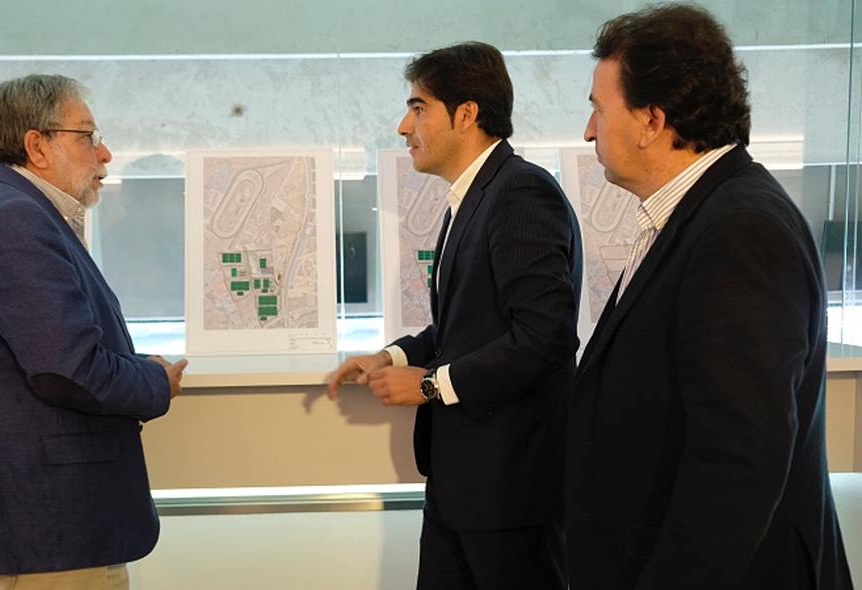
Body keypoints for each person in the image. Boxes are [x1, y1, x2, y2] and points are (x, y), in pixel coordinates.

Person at [566, 4, 853, 589]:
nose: (589, 129)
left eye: (598, 108)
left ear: (651, 120)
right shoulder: (703, 215)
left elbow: (737, 466)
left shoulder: (738, 232)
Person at [329, 42, 582, 589]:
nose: (403, 125)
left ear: (467, 114)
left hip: (509, 491)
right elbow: (466, 326)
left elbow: (545, 339)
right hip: (463, 485)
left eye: (418, 107)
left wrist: (428, 384)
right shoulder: (474, 197)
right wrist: (390, 356)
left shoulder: (521, 192)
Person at [0, 74, 188, 589]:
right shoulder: (14, 220)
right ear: (37, 146)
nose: (105, 153)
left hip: (48, 514)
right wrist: (156, 382)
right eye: (88, 136)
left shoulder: (4, 210)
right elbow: (67, 368)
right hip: (50, 515)